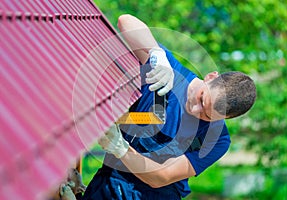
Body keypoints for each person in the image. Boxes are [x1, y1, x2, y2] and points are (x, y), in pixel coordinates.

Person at [83, 14, 256, 199]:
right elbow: (126, 21)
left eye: (208, 116)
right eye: (201, 100)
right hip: (110, 183)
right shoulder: (168, 71)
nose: (196, 111)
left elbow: (161, 177)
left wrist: (121, 149)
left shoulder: (217, 140)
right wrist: (156, 53)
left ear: (226, 119)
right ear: (211, 77)